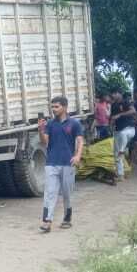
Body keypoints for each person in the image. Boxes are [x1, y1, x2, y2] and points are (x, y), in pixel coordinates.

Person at [37, 96, 84, 232]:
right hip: (51, 163)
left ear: (65, 107)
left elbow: (80, 141)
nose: (54, 109)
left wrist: (78, 156)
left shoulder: (74, 124)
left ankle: (67, 218)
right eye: (52, 107)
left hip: (68, 163)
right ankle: (47, 221)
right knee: (49, 193)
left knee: (67, 194)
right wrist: (40, 130)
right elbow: (45, 142)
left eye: (56, 107)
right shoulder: (50, 124)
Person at [110, 91, 137, 182]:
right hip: (118, 130)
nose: (113, 95)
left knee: (119, 150)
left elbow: (133, 111)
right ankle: (121, 174)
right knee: (117, 153)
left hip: (128, 129)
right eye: (112, 94)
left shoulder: (125, 102)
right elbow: (112, 118)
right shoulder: (113, 105)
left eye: (115, 93)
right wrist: (111, 125)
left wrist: (120, 114)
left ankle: (123, 150)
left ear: (119, 93)